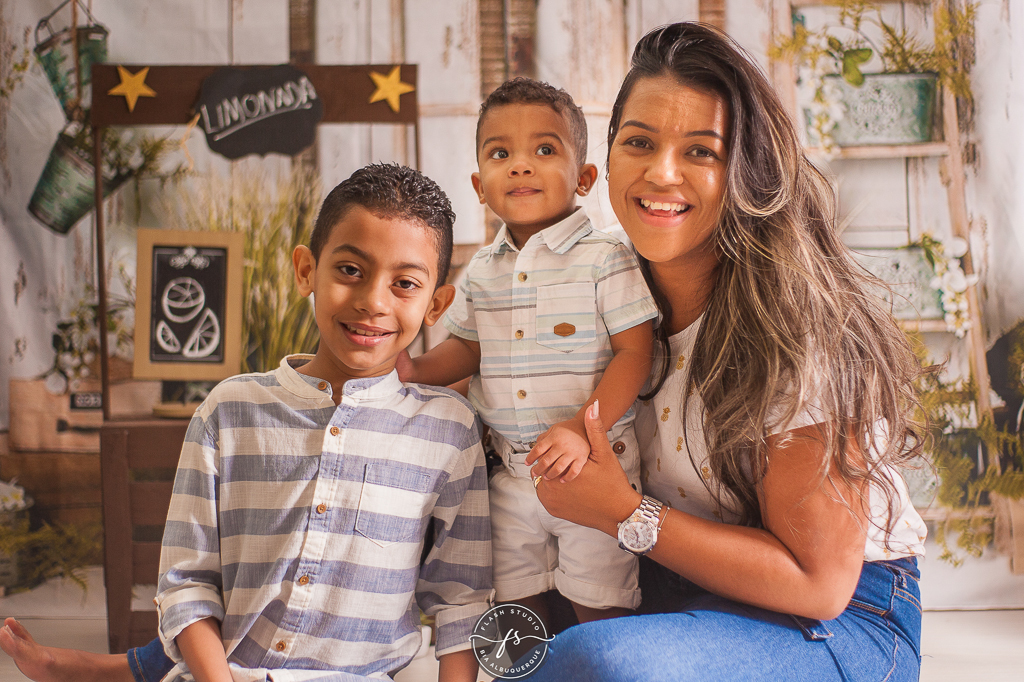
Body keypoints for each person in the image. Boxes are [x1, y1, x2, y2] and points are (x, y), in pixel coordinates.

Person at [522, 22, 928, 681]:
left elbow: (818, 583)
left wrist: (623, 511)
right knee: (514, 649)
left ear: (745, 170)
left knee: (595, 665)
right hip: (670, 587)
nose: (662, 172)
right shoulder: (599, 294)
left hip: (838, 619)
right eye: (640, 142)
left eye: (701, 152)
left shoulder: (795, 326)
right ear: (607, 159)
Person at [0, 163, 492, 682]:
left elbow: (461, 599)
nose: (372, 301)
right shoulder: (228, 411)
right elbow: (186, 584)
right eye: (350, 270)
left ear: (436, 304)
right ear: (307, 270)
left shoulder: (448, 430)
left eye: (405, 284)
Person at [398, 77, 658, 624]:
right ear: (478, 183)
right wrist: (414, 370)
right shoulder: (482, 270)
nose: (520, 165)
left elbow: (635, 353)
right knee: (515, 608)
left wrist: (580, 427)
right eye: (500, 154)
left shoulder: (604, 256)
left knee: (598, 605)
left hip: (592, 466)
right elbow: (467, 348)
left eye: (544, 149)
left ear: (584, 177)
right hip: (511, 476)